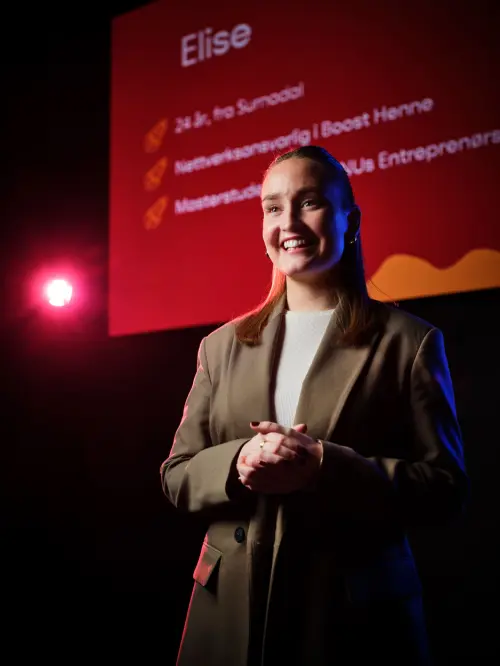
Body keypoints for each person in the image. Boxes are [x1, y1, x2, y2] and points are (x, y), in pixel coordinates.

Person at [160, 145, 467, 666]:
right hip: (229, 613)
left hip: (350, 618)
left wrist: (327, 466)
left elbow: (445, 489)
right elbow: (176, 475)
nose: (289, 222)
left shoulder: (409, 343)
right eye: (273, 207)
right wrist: (237, 461)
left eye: (309, 202)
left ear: (351, 221)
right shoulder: (219, 347)